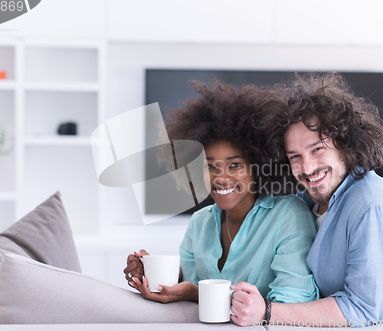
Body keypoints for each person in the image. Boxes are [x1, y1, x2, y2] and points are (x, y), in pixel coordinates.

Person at [231, 73, 383, 327]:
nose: (307, 167)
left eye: (317, 149)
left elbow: (362, 309)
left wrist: (267, 312)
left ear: (345, 144)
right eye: (295, 156)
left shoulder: (372, 205)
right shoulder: (307, 201)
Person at [123, 81, 319, 319]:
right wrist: (155, 278)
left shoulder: (289, 215)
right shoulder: (199, 223)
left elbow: (293, 300)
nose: (221, 177)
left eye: (235, 165)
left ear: (258, 167)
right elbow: (192, 300)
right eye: (209, 166)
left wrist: (195, 293)